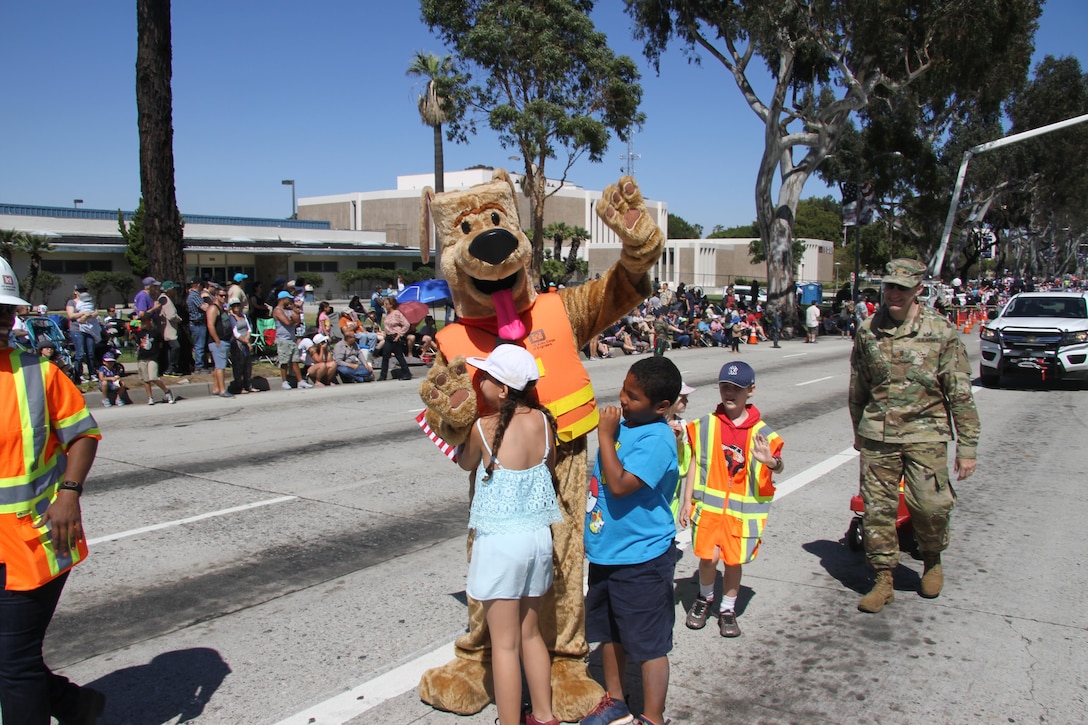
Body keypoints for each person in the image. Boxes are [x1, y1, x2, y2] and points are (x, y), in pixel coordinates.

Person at [0, 262, 106, 725]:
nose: (3, 323)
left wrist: (69, 492)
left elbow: (82, 434)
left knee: (13, 662)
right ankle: (71, 704)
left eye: (6, 313)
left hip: (32, 543)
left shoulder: (36, 373)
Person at [850, 258, 980, 613]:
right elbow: (858, 385)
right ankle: (883, 579)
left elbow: (959, 390)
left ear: (918, 291)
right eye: (889, 286)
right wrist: (858, 429)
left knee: (930, 504)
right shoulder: (867, 331)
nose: (894, 294)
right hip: (878, 433)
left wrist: (966, 446)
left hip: (927, 431)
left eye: (902, 289)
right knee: (878, 510)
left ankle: (932, 558)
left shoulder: (940, 331)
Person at [456, 346, 562, 725]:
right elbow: (547, 466)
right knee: (530, 634)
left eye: (486, 377)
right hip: (537, 539)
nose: (479, 381)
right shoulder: (545, 423)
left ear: (503, 390)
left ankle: (510, 721)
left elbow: (466, 461)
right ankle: (545, 716)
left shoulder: (483, 429)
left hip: (502, 542)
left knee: (504, 644)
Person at [582, 356, 682, 725]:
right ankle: (615, 700)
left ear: (661, 407)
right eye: (625, 389)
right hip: (609, 553)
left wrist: (605, 437)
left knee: (649, 643)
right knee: (609, 633)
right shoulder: (626, 426)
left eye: (634, 396)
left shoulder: (656, 439)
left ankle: (652, 716)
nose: (623, 399)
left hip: (642, 558)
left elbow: (622, 486)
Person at [679, 361, 784, 638]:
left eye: (737, 388)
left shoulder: (762, 432)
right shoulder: (705, 425)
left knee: (733, 561)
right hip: (709, 510)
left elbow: (778, 466)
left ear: (751, 391)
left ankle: (727, 608)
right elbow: (694, 465)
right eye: (725, 386)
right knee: (708, 558)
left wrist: (770, 461)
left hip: (740, 513)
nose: (730, 392)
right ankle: (704, 598)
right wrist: (686, 500)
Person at [273, 291, 312, 390]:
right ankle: (284, 381)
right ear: (283, 299)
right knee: (284, 362)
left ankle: (300, 381)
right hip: (283, 339)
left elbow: (297, 320)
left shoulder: (288, 310)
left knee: (295, 361)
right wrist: (293, 319)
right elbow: (287, 322)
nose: (290, 301)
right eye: (288, 299)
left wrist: (295, 310)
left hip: (291, 338)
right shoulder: (277, 310)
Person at [134, 317, 176, 405]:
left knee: (153, 377)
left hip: (153, 357)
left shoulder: (155, 332)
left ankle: (167, 391)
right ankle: (150, 397)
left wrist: (156, 353)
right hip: (142, 357)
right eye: (142, 322)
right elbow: (138, 344)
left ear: (150, 321)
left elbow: (160, 345)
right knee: (146, 379)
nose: (143, 323)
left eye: (145, 321)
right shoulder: (139, 333)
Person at [65, 285, 97, 382]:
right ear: (75, 292)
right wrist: (84, 313)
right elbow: (71, 315)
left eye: (84, 290)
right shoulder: (72, 302)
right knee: (80, 353)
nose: (82, 292)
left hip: (89, 329)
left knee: (90, 353)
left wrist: (88, 315)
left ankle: (92, 373)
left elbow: (95, 313)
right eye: (80, 291)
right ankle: (79, 375)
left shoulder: (89, 302)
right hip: (77, 329)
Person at [378, 297, 411, 381]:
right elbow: (387, 326)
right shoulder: (387, 314)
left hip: (395, 337)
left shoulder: (397, 313)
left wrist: (399, 335)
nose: (385, 305)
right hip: (388, 337)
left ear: (391, 305)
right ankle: (383, 375)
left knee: (399, 356)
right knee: (385, 355)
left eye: (387, 304)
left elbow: (406, 324)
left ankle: (407, 373)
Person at [228, 298, 257, 394]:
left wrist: (247, 338)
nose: (236, 307)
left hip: (245, 342)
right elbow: (235, 332)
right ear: (231, 307)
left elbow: (249, 328)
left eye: (238, 305)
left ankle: (248, 385)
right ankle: (239, 387)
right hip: (238, 344)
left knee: (247, 365)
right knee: (238, 366)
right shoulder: (231, 318)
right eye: (234, 305)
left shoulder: (243, 316)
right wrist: (246, 342)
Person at [157, 281, 182, 375]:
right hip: (169, 329)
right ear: (169, 289)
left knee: (170, 349)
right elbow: (171, 315)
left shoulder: (163, 298)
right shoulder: (165, 299)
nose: (174, 291)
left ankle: (170, 368)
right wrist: (178, 319)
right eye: (173, 289)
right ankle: (171, 368)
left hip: (167, 328)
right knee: (176, 347)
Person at [186, 278, 209, 374]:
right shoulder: (195, 295)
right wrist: (209, 304)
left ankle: (201, 365)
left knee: (199, 345)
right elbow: (204, 307)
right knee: (199, 346)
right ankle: (199, 367)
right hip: (197, 323)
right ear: (198, 284)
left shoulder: (193, 295)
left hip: (197, 323)